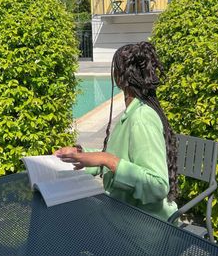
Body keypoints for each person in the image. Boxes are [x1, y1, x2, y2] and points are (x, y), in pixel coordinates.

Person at [54, 41, 178, 221]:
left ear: (121, 78)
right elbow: (119, 158)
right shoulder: (133, 111)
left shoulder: (142, 118)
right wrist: (81, 155)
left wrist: (107, 159)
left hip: (144, 229)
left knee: (62, 220)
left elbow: (157, 186)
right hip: (124, 215)